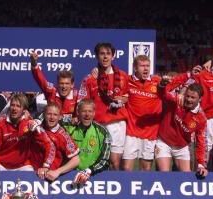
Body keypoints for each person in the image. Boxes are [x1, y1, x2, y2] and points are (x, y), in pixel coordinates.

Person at [79, 42, 129, 170]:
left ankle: (116, 187)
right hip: (97, 124)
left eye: (108, 54)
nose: (105, 57)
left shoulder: (123, 76)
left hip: (116, 123)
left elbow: (129, 96)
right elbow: (82, 102)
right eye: (102, 54)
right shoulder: (89, 79)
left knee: (115, 162)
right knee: (95, 160)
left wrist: (124, 99)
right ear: (97, 56)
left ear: (113, 56)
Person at [156, 81, 208, 176]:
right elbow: (162, 95)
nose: (188, 99)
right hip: (164, 142)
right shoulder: (177, 99)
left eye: (193, 98)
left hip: (182, 147)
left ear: (200, 99)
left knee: (187, 177)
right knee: (164, 175)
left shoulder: (201, 118)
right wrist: (162, 86)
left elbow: (201, 141)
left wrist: (201, 164)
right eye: (187, 96)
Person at [0, 93, 55, 171]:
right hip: (2, 165)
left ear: (24, 110)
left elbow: (48, 144)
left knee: (30, 172)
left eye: (18, 106)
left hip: (23, 166)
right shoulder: (0, 125)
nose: (14, 108)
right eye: (13, 105)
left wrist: (46, 166)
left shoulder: (30, 124)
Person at [122, 55, 161, 171]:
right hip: (131, 132)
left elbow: (175, 83)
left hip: (150, 133)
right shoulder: (127, 81)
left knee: (146, 169)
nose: (145, 69)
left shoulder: (157, 82)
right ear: (135, 68)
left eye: (148, 66)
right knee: (126, 168)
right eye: (142, 66)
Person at [64, 99, 111, 185]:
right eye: (84, 111)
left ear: (94, 113)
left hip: (93, 176)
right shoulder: (68, 127)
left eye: (90, 111)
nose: (87, 115)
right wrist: (69, 118)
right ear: (78, 113)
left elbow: (105, 159)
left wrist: (89, 170)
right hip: (69, 176)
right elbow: (51, 117)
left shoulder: (103, 132)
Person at [30, 102, 80, 181]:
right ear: (44, 115)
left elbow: (76, 160)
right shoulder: (36, 127)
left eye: (55, 115)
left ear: (60, 117)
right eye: (49, 114)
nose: (52, 117)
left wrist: (58, 172)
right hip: (30, 172)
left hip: (48, 176)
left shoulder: (63, 136)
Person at [30, 51, 78, 123]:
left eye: (67, 83)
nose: (64, 86)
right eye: (61, 83)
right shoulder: (51, 91)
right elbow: (40, 78)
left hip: (71, 130)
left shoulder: (78, 96)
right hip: (51, 129)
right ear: (57, 84)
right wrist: (34, 63)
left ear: (72, 85)